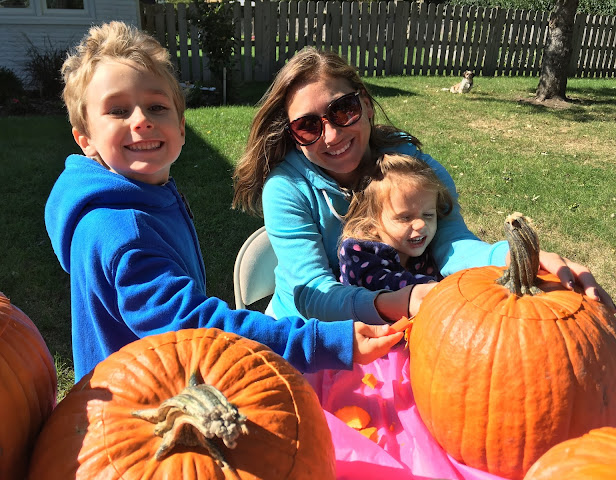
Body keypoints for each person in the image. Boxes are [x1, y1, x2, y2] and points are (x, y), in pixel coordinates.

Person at [44, 22, 402, 382]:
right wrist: (324, 342)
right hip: (138, 406)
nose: (141, 121)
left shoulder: (144, 196)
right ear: (85, 139)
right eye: (118, 110)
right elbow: (196, 330)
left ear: (181, 127)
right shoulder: (123, 232)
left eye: (156, 106)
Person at [232, 46, 614, 324]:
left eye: (343, 110)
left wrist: (510, 258)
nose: (331, 135)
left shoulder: (414, 169)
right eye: (307, 125)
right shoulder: (287, 188)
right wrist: (403, 300)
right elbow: (313, 293)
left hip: (398, 322)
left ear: (365, 104)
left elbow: (450, 243)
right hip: (306, 335)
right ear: (293, 134)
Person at [338, 153, 451, 310]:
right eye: (405, 217)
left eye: (428, 215)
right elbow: (383, 283)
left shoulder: (422, 249)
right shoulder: (357, 251)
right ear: (371, 223)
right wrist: (438, 287)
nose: (421, 224)